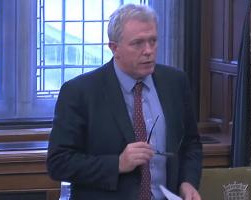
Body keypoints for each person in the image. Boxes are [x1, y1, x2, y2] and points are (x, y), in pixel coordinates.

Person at [47, 3, 202, 200]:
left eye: (153, 41)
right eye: (138, 43)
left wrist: (188, 182)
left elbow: (191, 144)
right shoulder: (79, 92)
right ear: (114, 48)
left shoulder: (176, 82)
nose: (148, 50)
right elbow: (58, 163)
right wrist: (118, 163)